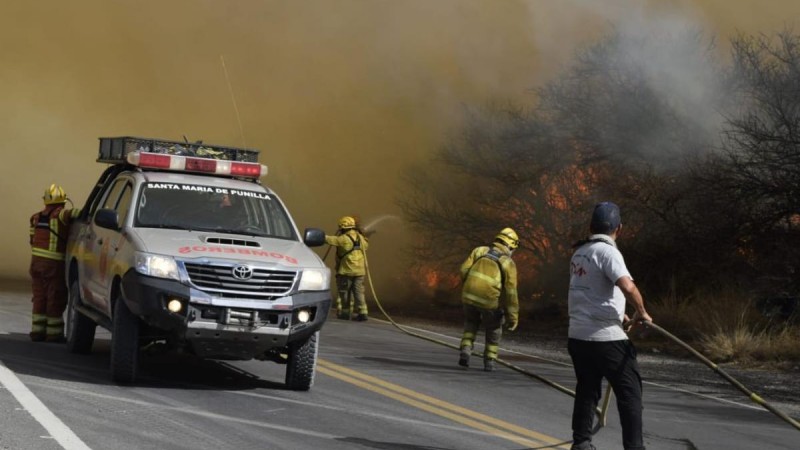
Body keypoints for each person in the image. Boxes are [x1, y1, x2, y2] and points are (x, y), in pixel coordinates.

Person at [567, 202, 653, 450]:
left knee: (587, 389)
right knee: (630, 393)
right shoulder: (609, 252)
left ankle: (581, 443)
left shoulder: (580, 252)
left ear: (591, 226)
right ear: (619, 228)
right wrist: (642, 312)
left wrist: (623, 315)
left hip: (578, 337)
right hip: (605, 339)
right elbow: (627, 286)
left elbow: (590, 292)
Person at [458, 228, 520, 372]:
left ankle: (466, 350)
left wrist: (469, 286)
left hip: (468, 297)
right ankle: (489, 360)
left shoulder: (479, 251)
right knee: (494, 328)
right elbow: (511, 293)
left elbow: (463, 270)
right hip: (489, 301)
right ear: (510, 245)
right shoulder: (508, 263)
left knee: (471, 323)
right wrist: (513, 316)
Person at [28, 184, 80, 342]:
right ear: (63, 201)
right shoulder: (61, 215)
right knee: (55, 297)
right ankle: (54, 334)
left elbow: (32, 240)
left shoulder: (35, 217)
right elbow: (78, 213)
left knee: (39, 296)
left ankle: (37, 331)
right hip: (54, 265)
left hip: (36, 264)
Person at [325, 216, 369, 321]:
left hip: (347, 271)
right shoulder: (361, 238)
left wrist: (322, 236)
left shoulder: (344, 238)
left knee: (344, 292)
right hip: (360, 271)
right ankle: (363, 313)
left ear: (343, 227)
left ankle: (345, 313)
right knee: (359, 292)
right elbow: (366, 246)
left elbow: (332, 240)